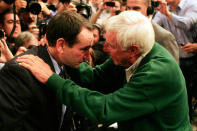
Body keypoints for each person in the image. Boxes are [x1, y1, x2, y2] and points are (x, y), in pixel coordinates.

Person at [17, 11, 192, 130]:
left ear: (132, 50)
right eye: (105, 41)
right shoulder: (127, 55)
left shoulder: (158, 73)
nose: (105, 49)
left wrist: (51, 78)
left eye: (111, 45)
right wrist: (65, 55)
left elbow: (104, 109)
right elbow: (94, 78)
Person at [0, 10, 94, 131]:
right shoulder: (19, 72)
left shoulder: (69, 65)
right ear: (60, 45)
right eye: (84, 49)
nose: (88, 56)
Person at [153, 0, 197, 121]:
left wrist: (167, 14)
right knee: (173, 90)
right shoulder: (163, 8)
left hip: (191, 57)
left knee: (185, 90)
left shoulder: (192, 4)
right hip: (172, 58)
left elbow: (187, 24)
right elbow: (152, 26)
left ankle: (186, 119)